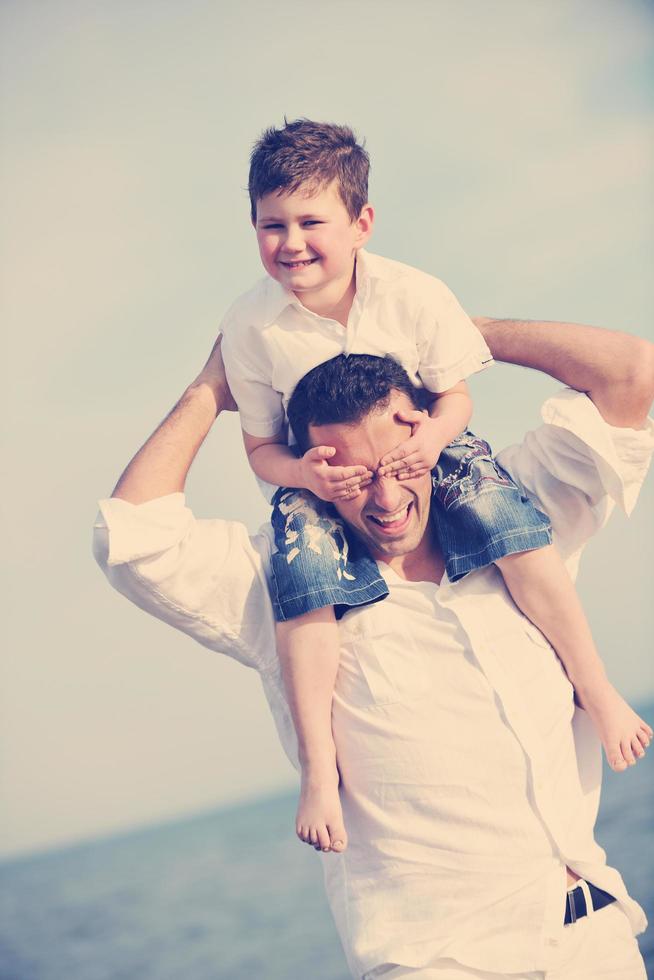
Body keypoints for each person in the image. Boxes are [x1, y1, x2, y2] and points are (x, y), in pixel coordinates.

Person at [94, 318, 653, 979]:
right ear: (311, 472)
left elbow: (631, 377)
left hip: (594, 936)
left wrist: (449, 331)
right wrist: (213, 386)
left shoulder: (520, 516)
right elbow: (132, 540)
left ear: (427, 427)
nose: (387, 500)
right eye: (355, 477)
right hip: (439, 960)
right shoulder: (282, 582)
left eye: (397, 465)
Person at [219, 118, 650, 853]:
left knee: (516, 535)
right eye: (271, 225)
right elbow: (259, 446)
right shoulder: (252, 326)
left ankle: (597, 686)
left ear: (362, 224)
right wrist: (302, 475)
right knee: (302, 592)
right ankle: (320, 771)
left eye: (310, 222)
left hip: (429, 449)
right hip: (322, 482)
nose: (290, 243)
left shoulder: (412, 293)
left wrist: (430, 441)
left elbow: (455, 398)